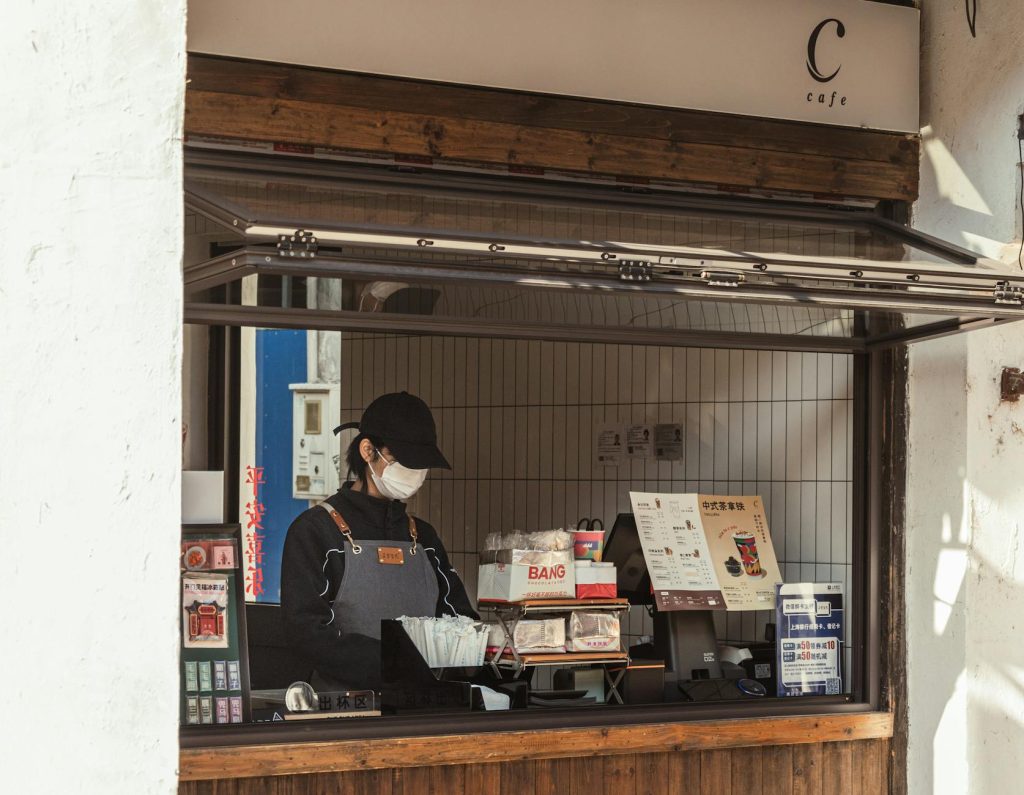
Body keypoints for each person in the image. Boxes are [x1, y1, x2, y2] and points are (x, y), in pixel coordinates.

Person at [280, 391, 477, 692]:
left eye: (420, 465)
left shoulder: (423, 536)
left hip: (423, 708)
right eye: (403, 461)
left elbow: (458, 618)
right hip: (344, 713)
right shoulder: (316, 532)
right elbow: (306, 631)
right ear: (367, 451)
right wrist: (394, 664)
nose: (414, 474)